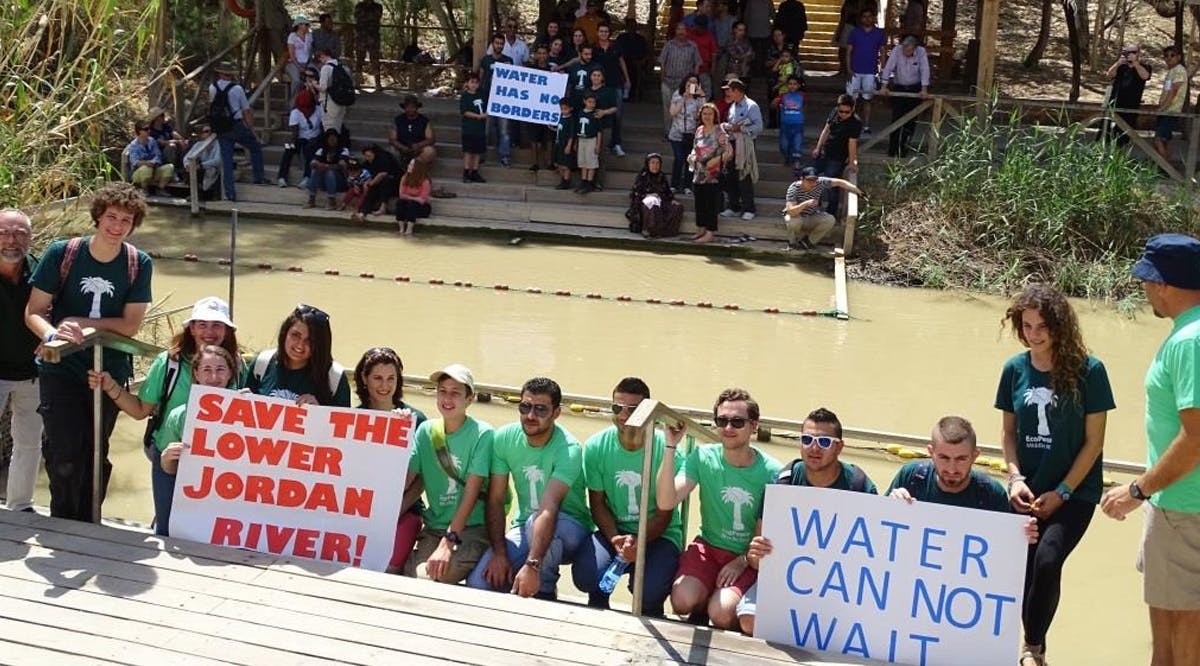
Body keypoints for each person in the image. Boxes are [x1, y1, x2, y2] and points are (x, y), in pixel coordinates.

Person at [996, 283, 1115, 666]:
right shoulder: (1014, 369)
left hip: (1075, 492)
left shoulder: (1090, 371)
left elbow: (1094, 443)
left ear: (1060, 326)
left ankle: (1033, 648)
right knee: (1025, 571)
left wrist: (1063, 491)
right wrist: (1014, 478)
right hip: (1026, 489)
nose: (1034, 334)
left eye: (1042, 325)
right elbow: (1008, 433)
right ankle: (1026, 647)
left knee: (1048, 559)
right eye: (1027, 325)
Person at [25, 183, 153, 523]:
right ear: (97, 217)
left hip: (106, 372)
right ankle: (63, 524)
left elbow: (130, 326)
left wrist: (78, 321)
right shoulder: (62, 253)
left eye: (126, 220)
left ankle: (88, 524)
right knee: (62, 451)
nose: (116, 226)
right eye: (111, 217)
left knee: (96, 452)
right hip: (61, 369)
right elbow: (34, 311)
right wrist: (54, 333)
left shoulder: (137, 263)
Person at [1101, 234, 1200, 666]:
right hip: (1175, 507)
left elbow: (1196, 438)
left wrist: (1137, 490)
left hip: (1183, 509)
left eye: (1147, 280)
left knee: (1182, 645)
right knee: (1165, 644)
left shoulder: (1189, 342)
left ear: (1163, 284)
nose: (1144, 290)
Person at [88, 296, 238, 535]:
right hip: (170, 453)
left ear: (227, 331)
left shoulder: (237, 365)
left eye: (217, 325)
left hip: (219, 462)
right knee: (168, 529)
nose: (209, 332)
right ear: (191, 328)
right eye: (202, 324)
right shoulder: (170, 363)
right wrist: (111, 387)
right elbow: (139, 411)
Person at [737, 407, 877, 635]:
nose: (814, 447)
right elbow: (758, 557)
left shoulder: (859, 485)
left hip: (839, 586)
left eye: (824, 441)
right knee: (750, 621)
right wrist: (756, 554)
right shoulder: (783, 482)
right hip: (790, 581)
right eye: (807, 439)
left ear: (839, 447)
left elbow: (877, 552)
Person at [656, 388, 782, 628]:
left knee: (722, 614)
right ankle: (708, 595)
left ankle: (719, 603)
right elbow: (665, 501)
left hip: (746, 558)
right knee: (681, 602)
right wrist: (670, 447)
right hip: (709, 548)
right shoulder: (702, 457)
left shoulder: (773, 472)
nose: (728, 428)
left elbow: (773, 535)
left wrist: (744, 559)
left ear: (754, 425)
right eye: (722, 421)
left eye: (737, 422)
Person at [467, 377, 594, 600]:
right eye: (525, 407)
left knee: (537, 522)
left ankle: (545, 591)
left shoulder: (569, 449)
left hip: (570, 529)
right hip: (525, 526)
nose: (530, 416)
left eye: (540, 410)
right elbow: (496, 499)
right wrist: (499, 553)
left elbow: (549, 507)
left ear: (556, 413)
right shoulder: (504, 438)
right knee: (479, 583)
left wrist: (532, 566)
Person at [572, 378, 682, 617]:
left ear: (648, 411)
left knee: (649, 592)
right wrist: (616, 540)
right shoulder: (595, 446)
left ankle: (652, 613)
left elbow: (666, 513)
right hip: (615, 530)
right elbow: (597, 503)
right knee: (587, 576)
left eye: (632, 410)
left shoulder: (668, 448)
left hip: (659, 534)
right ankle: (598, 603)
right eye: (616, 408)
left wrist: (638, 541)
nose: (623, 415)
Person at [403, 364, 494, 584]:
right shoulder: (425, 431)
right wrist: (398, 428)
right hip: (434, 527)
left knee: (431, 578)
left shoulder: (483, 434)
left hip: (470, 529)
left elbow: (471, 492)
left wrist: (448, 543)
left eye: (455, 393)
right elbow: (406, 478)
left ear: (469, 399)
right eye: (442, 391)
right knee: (408, 577)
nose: (447, 398)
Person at [351, 346, 427, 574]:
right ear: (364, 379)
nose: (385, 386)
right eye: (377, 378)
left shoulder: (417, 420)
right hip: (360, 510)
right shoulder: (352, 419)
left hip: (405, 510)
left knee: (387, 569)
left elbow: (424, 476)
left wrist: (395, 511)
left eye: (391, 378)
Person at [156, 345, 241, 524]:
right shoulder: (179, 415)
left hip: (237, 504)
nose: (214, 377)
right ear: (196, 374)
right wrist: (167, 457)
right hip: (197, 504)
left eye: (220, 370)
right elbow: (169, 470)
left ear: (230, 373)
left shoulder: (250, 409)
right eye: (206, 370)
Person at [0, 209, 42, 513]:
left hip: (32, 372)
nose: (12, 241)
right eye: (4, 233)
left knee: (29, 443)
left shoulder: (42, 271)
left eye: (19, 233)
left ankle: (21, 506)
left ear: (31, 237)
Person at [886, 416, 1013, 512]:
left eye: (961, 459)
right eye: (944, 458)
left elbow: (1007, 541)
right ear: (931, 452)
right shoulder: (911, 476)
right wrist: (889, 506)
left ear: (975, 456)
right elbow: (876, 527)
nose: (952, 469)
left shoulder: (992, 494)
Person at [244, 304, 351, 407]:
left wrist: (319, 412)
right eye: (295, 335)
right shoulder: (262, 364)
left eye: (310, 340)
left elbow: (344, 423)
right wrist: (243, 400)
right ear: (285, 333)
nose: (300, 345)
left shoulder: (334, 377)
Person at [209, 61, 266, 202]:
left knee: (227, 160)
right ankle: (258, 177)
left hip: (221, 128)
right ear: (231, 75)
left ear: (220, 73)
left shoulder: (212, 87)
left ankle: (230, 193)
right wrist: (251, 129)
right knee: (255, 147)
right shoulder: (237, 89)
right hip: (236, 125)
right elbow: (246, 110)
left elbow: (211, 106)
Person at [783, 166, 861, 251]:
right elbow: (791, 211)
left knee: (830, 219)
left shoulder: (820, 182)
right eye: (809, 180)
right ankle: (792, 243)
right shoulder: (794, 188)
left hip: (812, 215)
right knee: (793, 221)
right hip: (797, 217)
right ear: (802, 178)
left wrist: (859, 191)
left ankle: (809, 242)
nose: (812, 182)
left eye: (814, 180)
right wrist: (805, 204)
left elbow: (840, 182)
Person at [811, 93, 862, 218]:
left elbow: (852, 143)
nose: (843, 114)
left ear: (853, 109)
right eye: (841, 111)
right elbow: (826, 130)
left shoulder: (855, 123)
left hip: (838, 158)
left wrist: (852, 162)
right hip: (825, 152)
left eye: (847, 112)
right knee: (810, 174)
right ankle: (813, 204)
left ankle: (831, 212)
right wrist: (818, 147)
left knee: (831, 182)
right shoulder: (834, 112)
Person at [878, 35, 930, 158]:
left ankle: (904, 150)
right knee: (896, 119)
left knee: (911, 121)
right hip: (899, 87)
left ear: (915, 48)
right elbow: (889, 67)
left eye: (909, 51)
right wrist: (884, 86)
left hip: (914, 88)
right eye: (905, 50)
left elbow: (924, 69)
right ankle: (892, 150)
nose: (906, 52)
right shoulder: (897, 50)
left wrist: (924, 89)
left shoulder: (921, 52)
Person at [688, 102, 732, 243]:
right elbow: (695, 148)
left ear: (715, 115)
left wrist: (717, 160)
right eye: (704, 113)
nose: (707, 116)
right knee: (699, 202)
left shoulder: (719, 131)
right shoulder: (699, 130)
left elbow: (729, 152)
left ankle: (710, 233)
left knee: (711, 204)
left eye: (710, 114)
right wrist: (692, 156)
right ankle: (701, 229)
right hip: (698, 172)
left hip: (713, 174)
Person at [720, 79, 762, 221]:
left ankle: (749, 208)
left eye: (729, 90)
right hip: (731, 144)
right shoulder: (732, 106)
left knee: (744, 176)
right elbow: (732, 125)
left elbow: (759, 127)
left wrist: (742, 128)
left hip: (745, 145)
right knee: (730, 176)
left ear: (737, 90)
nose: (727, 93)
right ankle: (733, 206)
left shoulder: (752, 106)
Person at [844, 7, 886, 134]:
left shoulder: (879, 33)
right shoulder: (855, 32)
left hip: (870, 71)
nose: (867, 18)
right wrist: (848, 68)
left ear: (873, 18)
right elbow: (849, 52)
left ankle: (866, 125)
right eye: (864, 16)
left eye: (869, 16)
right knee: (851, 99)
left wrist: (882, 69)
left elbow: (883, 52)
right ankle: (850, 124)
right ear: (861, 19)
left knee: (868, 99)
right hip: (855, 71)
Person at [276, 81, 323, 188]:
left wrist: (317, 139)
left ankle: (307, 177)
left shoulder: (319, 110)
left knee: (310, 152)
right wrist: (291, 144)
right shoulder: (295, 113)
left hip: (315, 138)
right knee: (288, 149)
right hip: (299, 138)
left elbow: (322, 128)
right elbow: (294, 133)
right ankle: (282, 177)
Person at [1104, 44, 1151, 146]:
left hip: (1131, 106)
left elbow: (1145, 76)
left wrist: (1135, 63)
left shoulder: (1144, 66)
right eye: (1127, 52)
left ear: (1138, 53)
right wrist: (1118, 63)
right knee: (1107, 133)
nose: (1130, 55)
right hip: (1115, 104)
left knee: (1124, 136)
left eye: (1133, 52)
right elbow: (1109, 75)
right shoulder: (1121, 66)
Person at [659, 23, 703, 131]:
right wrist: (662, 78)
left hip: (685, 85)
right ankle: (668, 132)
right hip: (668, 82)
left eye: (683, 29)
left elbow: (697, 63)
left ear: (687, 32)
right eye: (678, 29)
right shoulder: (669, 45)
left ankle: (685, 132)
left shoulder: (692, 46)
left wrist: (694, 83)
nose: (681, 32)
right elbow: (662, 62)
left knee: (687, 107)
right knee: (668, 108)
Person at [479, 34, 514, 168]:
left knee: (504, 131)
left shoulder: (508, 61)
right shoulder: (486, 60)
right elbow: (480, 79)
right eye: (497, 43)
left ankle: (504, 156)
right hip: (488, 99)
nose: (499, 45)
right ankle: (481, 155)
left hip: (503, 101)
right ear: (492, 44)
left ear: (504, 45)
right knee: (486, 130)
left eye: (501, 43)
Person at [629, 153, 683, 238]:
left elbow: (667, 192)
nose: (655, 166)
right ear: (648, 164)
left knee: (677, 207)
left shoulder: (662, 176)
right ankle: (649, 230)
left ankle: (665, 231)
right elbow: (635, 193)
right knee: (652, 203)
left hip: (661, 200)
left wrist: (671, 199)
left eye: (658, 163)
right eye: (653, 163)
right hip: (645, 203)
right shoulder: (643, 176)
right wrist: (648, 195)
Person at [593, 23, 628, 155]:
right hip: (600, 85)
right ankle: (602, 144)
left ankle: (616, 143)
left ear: (609, 33)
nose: (603, 33)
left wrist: (627, 79)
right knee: (600, 113)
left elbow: (621, 62)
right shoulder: (594, 48)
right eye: (601, 31)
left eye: (606, 31)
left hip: (616, 83)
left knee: (617, 114)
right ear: (597, 33)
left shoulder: (615, 46)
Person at [668, 74, 704, 193]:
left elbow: (704, 113)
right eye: (689, 82)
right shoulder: (677, 94)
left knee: (690, 160)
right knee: (679, 158)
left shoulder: (698, 98)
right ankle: (674, 184)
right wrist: (684, 98)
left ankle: (687, 186)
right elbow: (673, 112)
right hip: (677, 134)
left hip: (691, 134)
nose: (691, 85)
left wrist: (701, 95)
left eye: (694, 82)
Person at [353, 144, 402, 223]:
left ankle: (383, 207)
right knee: (371, 191)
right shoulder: (367, 163)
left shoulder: (383, 158)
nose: (367, 158)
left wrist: (369, 184)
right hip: (378, 184)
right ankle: (362, 214)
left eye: (369, 156)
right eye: (366, 156)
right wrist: (357, 184)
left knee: (385, 182)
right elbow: (360, 174)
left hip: (394, 183)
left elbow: (382, 174)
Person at [1155, 45, 1187, 164]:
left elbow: (1174, 91)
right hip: (1166, 110)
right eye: (1166, 56)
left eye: (1172, 55)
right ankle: (1165, 164)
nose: (1169, 58)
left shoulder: (1179, 70)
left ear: (1179, 57)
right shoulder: (1172, 71)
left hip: (1170, 110)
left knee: (1158, 140)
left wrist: (1164, 107)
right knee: (1165, 140)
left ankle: (1166, 167)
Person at [389, 93, 437, 171]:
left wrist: (419, 145)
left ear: (417, 108)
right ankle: (401, 171)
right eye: (407, 107)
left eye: (412, 107)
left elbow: (431, 139)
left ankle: (416, 170)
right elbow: (392, 139)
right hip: (402, 147)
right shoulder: (398, 120)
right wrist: (402, 147)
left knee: (430, 151)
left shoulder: (424, 120)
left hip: (418, 148)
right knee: (392, 151)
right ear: (404, 108)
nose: (410, 109)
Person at [126, 120, 175, 195]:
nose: (148, 131)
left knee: (169, 167)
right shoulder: (133, 145)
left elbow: (158, 155)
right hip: (139, 173)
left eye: (149, 129)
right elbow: (134, 161)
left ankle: (160, 189)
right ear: (139, 131)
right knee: (146, 169)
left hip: (154, 169)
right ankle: (144, 189)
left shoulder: (152, 141)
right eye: (146, 129)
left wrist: (153, 162)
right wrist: (146, 163)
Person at [306, 128, 350, 209]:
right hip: (323, 182)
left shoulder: (344, 150)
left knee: (329, 172)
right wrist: (317, 164)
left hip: (339, 181)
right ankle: (311, 199)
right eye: (330, 139)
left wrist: (327, 166)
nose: (332, 140)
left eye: (334, 138)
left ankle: (332, 201)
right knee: (314, 171)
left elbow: (341, 165)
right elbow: (313, 163)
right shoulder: (322, 150)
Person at [459, 73, 488, 184]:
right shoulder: (465, 96)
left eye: (476, 82)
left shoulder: (482, 94)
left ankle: (475, 171)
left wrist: (486, 114)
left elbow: (487, 107)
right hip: (469, 128)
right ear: (467, 83)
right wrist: (478, 116)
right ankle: (466, 171)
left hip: (480, 129)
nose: (474, 85)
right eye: (472, 82)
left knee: (477, 151)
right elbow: (464, 112)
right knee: (468, 151)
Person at [772, 74, 805, 168]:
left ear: (799, 85)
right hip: (785, 125)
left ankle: (797, 160)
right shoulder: (782, 96)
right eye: (790, 84)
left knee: (797, 143)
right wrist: (775, 102)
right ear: (787, 85)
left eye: (795, 84)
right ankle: (787, 157)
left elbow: (804, 107)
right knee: (784, 144)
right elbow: (773, 106)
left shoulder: (802, 96)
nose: (792, 86)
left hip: (798, 125)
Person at [146, 106, 188, 178]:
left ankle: (184, 169)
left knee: (184, 144)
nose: (163, 116)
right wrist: (178, 142)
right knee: (171, 146)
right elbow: (162, 142)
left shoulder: (165, 126)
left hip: (173, 152)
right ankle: (172, 171)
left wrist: (182, 140)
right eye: (161, 115)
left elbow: (173, 133)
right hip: (160, 155)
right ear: (156, 118)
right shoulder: (151, 131)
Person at [315, 47, 350, 135]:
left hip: (329, 102)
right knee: (338, 127)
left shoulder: (326, 68)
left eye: (319, 57)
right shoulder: (344, 67)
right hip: (342, 101)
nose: (319, 61)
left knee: (329, 128)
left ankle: (331, 147)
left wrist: (314, 84)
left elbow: (323, 88)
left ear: (323, 55)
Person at [575, 91, 603, 194]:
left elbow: (599, 131)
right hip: (582, 139)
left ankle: (590, 182)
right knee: (583, 161)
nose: (591, 104)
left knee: (591, 161)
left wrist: (598, 145)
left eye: (593, 102)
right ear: (585, 102)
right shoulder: (580, 113)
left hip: (592, 139)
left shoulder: (595, 115)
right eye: (589, 102)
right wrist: (576, 142)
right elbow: (577, 128)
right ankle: (583, 181)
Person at [615, 17, 649, 102]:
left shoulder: (640, 39)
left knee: (635, 73)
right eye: (630, 26)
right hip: (623, 62)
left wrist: (642, 61)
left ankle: (633, 95)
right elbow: (617, 52)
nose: (632, 28)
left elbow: (645, 52)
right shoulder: (621, 38)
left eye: (633, 26)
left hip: (636, 63)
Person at [395, 158, 432, 236]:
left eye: (411, 165)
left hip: (421, 207)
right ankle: (401, 229)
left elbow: (422, 200)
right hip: (407, 204)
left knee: (413, 204)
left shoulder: (425, 181)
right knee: (400, 202)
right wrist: (414, 198)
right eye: (409, 164)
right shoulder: (404, 178)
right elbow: (401, 195)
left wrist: (409, 197)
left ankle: (409, 230)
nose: (409, 166)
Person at [741, 0, 774, 81]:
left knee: (754, 53)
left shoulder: (751, 2)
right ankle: (762, 72)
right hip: (765, 31)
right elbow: (772, 14)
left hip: (753, 31)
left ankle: (755, 72)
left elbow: (746, 16)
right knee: (763, 53)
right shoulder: (768, 2)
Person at [354, 0, 383, 88]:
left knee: (375, 60)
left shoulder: (378, 6)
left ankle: (377, 84)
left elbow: (377, 17)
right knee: (359, 60)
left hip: (373, 37)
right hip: (361, 37)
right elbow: (357, 16)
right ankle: (357, 82)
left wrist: (366, 15)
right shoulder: (359, 6)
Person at [688, 15, 719, 99]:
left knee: (706, 91)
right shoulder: (689, 35)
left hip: (704, 69)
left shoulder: (709, 36)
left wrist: (713, 67)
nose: (700, 29)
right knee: (691, 91)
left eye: (702, 27)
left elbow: (713, 53)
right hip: (691, 70)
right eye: (699, 26)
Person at [552, 97, 578, 190]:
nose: (563, 111)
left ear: (570, 108)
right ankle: (563, 180)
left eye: (565, 109)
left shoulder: (571, 120)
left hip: (566, 144)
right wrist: (553, 128)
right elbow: (559, 129)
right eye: (562, 108)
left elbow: (572, 134)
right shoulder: (561, 118)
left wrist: (569, 146)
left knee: (566, 165)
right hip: (559, 143)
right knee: (559, 163)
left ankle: (566, 182)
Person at [718, 22, 754, 88]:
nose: (742, 32)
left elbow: (751, 55)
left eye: (743, 30)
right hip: (732, 71)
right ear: (735, 30)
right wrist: (745, 56)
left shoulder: (746, 41)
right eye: (740, 30)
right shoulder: (730, 41)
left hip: (745, 71)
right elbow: (734, 55)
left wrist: (745, 57)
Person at [286, 16, 313, 100]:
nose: (308, 26)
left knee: (316, 75)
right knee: (296, 81)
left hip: (307, 63)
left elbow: (310, 51)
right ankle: (292, 104)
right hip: (294, 63)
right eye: (306, 25)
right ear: (300, 25)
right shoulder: (292, 36)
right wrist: (299, 67)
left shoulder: (309, 36)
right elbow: (291, 54)